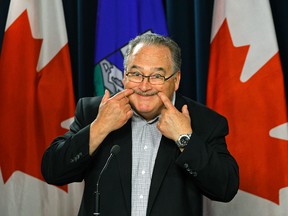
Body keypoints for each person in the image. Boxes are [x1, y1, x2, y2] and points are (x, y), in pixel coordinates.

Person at [41, 33, 239, 216]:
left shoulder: (204, 122)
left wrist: (185, 138)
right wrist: (100, 127)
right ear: (125, 75)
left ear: (176, 79)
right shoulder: (94, 112)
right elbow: (53, 172)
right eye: (136, 74)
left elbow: (225, 188)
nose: (144, 86)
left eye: (157, 76)